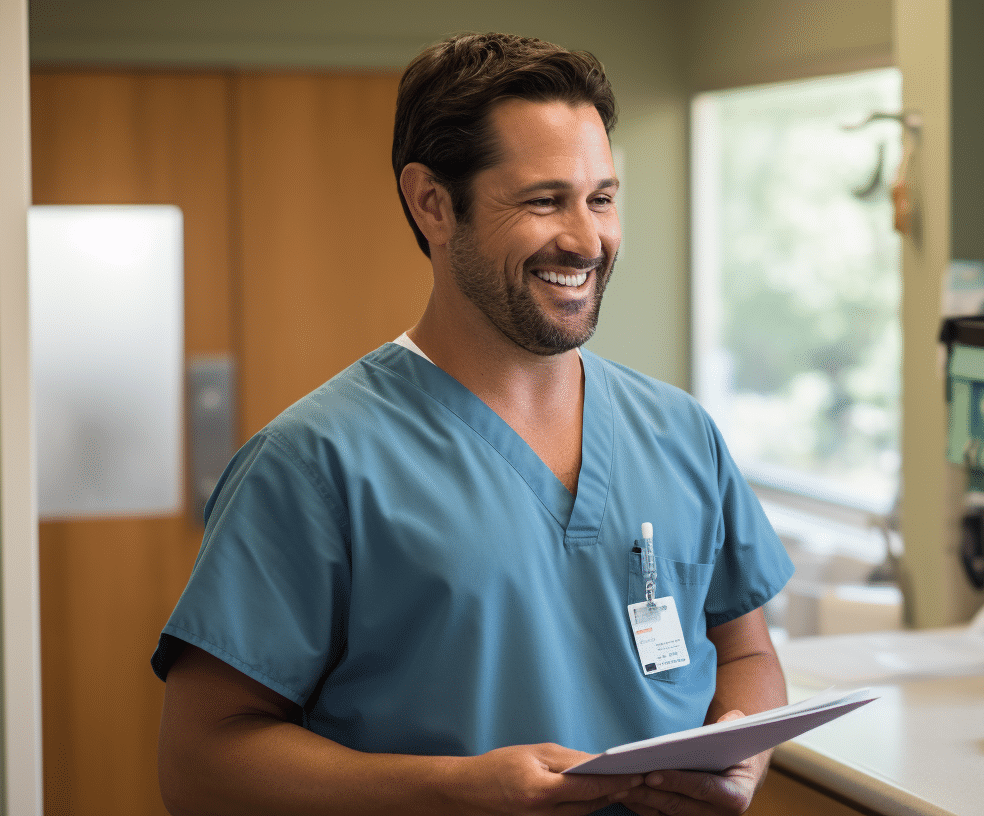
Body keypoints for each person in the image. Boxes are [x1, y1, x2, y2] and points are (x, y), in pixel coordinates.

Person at [154, 32, 794, 816]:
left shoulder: (680, 432)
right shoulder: (314, 463)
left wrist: (747, 752)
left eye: (601, 197)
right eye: (543, 200)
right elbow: (200, 763)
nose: (588, 240)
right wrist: (454, 791)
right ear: (432, 203)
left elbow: (748, 650)